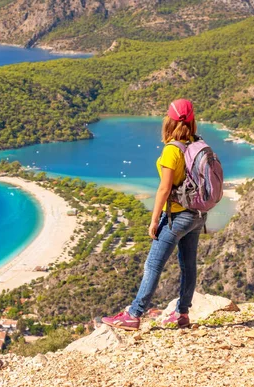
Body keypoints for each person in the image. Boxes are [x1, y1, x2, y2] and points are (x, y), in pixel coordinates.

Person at [102, 99, 206, 331]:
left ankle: (134, 314)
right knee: (188, 265)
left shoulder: (172, 150)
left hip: (177, 217)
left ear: (168, 121)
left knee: (153, 265)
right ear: (192, 121)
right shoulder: (197, 144)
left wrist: (153, 220)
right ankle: (182, 313)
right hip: (197, 215)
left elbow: (164, 188)